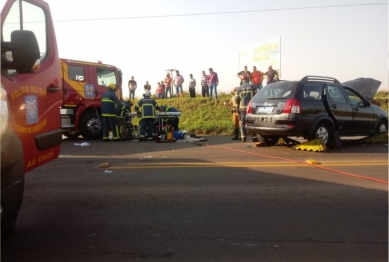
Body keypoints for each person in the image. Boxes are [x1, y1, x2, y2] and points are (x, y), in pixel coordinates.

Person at [237, 75, 258, 142]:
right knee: (252, 122)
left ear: (242, 80)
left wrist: (238, 108)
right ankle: (254, 137)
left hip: (242, 108)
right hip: (251, 107)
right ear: (248, 79)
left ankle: (243, 137)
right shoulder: (253, 86)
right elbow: (257, 96)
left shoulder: (239, 88)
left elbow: (236, 99)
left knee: (242, 122)